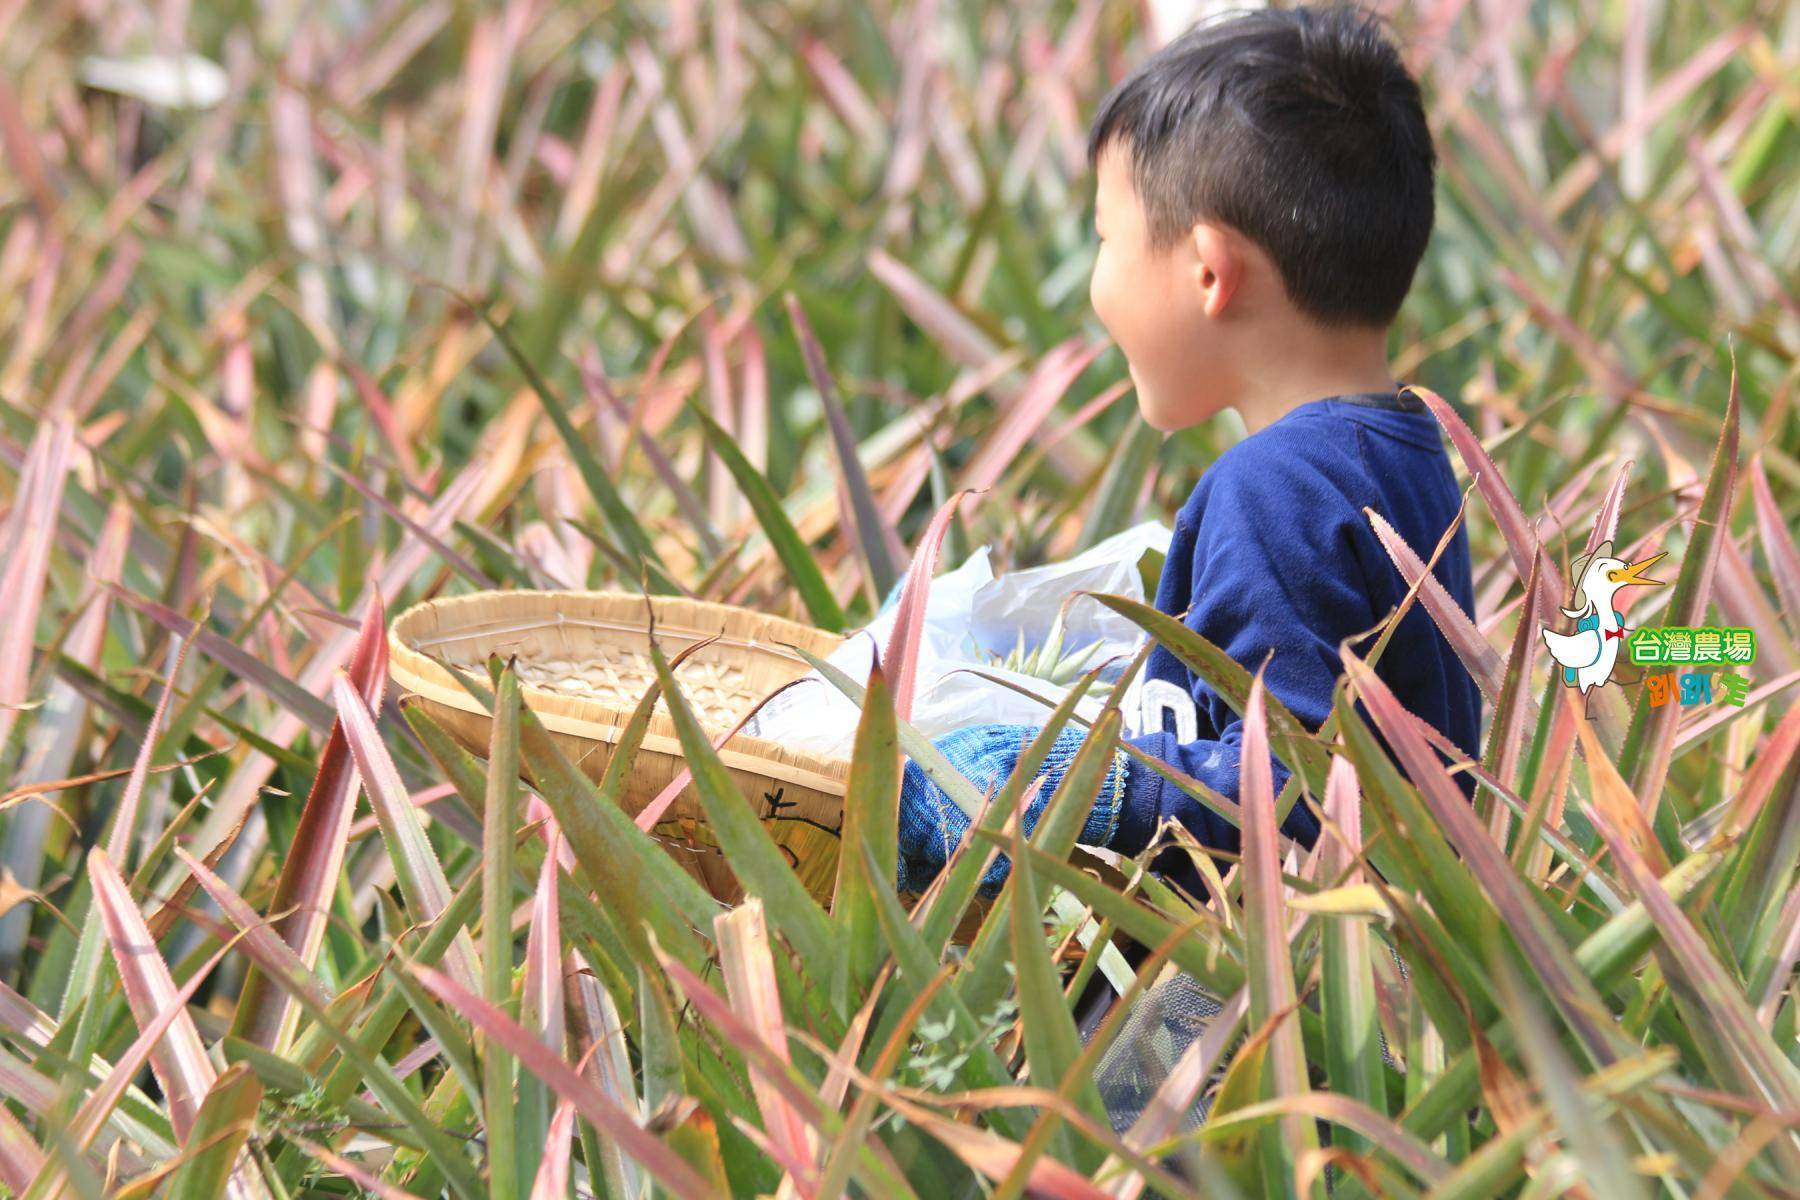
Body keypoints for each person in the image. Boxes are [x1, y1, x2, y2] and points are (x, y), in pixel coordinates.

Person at [894, 4, 1484, 904]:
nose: (1097, 282)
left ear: (1210, 272)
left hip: (1257, 1019)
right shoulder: (1408, 449)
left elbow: (1312, 793)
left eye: (1104, 237)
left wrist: (1095, 786)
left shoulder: (1271, 493)